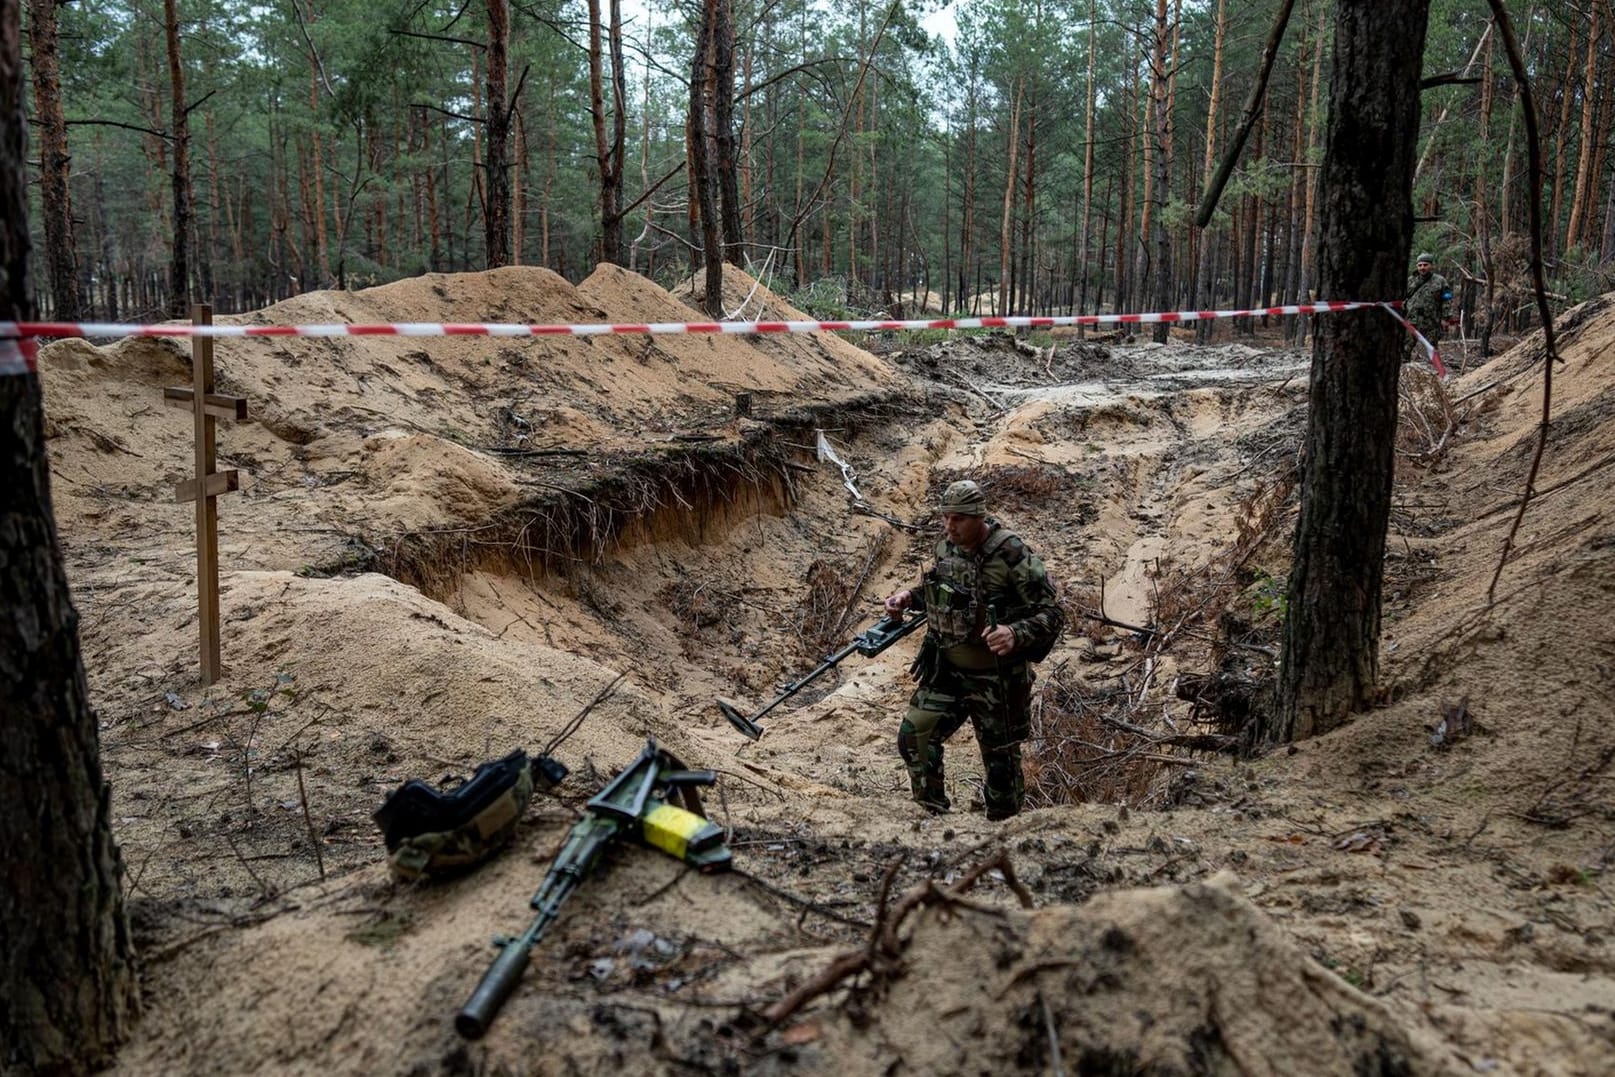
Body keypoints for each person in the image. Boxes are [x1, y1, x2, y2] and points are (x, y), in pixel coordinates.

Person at [883, 480, 1063, 820]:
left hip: (998, 677)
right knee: (915, 737)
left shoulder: (1011, 554)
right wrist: (909, 597)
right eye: (946, 518)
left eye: (959, 519)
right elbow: (942, 590)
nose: (950, 527)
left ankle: (1004, 829)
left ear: (978, 517)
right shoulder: (946, 548)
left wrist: (1015, 632)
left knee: (1000, 763)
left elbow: (1052, 614)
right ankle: (932, 817)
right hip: (947, 669)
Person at [1404, 252, 1451, 363]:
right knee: (1405, 347)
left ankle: (1432, 372)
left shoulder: (1440, 281)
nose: (1422, 268)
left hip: (1431, 321)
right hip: (1411, 319)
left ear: (1431, 266)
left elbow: (1447, 299)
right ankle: (1404, 372)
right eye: (1420, 265)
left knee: (1431, 348)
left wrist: (1446, 318)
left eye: (1425, 265)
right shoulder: (1411, 280)